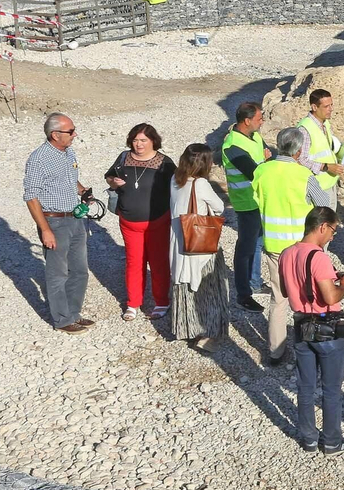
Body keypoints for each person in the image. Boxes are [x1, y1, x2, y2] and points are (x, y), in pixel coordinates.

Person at [251, 127, 335, 366]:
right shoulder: (304, 175)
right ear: (299, 151)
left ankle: (276, 352)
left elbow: (257, 198)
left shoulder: (261, 171)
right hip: (301, 250)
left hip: (274, 245)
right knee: (308, 298)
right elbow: (323, 204)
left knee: (279, 299)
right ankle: (309, 349)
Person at [281, 206, 344, 454]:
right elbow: (329, 296)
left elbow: (285, 291)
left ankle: (309, 439)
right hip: (326, 328)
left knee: (305, 387)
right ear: (322, 226)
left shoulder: (287, 253)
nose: (333, 236)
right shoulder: (319, 257)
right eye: (333, 231)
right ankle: (333, 442)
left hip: (301, 325)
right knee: (331, 389)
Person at [23, 113, 94, 334]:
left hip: (75, 218)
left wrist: (82, 191)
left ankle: (73, 314)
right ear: (55, 134)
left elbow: (69, 179)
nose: (75, 134)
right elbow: (30, 196)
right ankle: (62, 320)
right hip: (54, 222)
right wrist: (45, 230)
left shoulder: (67, 151)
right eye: (70, 131)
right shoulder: (39, 159)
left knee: (80, 270)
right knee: (58, 273)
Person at [105, 124, 176, 322]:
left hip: (158, 221)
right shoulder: (123, 157)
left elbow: (178, 185)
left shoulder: (164, 162)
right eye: (135, 140)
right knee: (134, 262)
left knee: (158, 262)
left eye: (143, 140)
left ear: (153, 140)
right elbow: (109, 176)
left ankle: (162, 301)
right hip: (128, 222)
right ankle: (133, 303)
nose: (139, 144)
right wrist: (113, 182)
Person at [169, 143, 231, 349]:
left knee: (184, 287)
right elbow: (219, 207)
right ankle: (209, 333)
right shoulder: (200, 184)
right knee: (208, 288)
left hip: (179, 240)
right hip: (199, 243)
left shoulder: (175, 180)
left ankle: (187, 328)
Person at [220, 101, 272, 310]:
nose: (262, 122)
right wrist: (267, 163)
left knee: (257, 244)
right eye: (260, 118)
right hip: (246, 202)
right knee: (245, 248)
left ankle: (255, 283)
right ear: (247, 120)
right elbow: (255, 172)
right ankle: (244, 294)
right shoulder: (232, 146)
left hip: (258, 199)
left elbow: (266, 153)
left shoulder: (254, 136)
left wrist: (266, 160)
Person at [296, 89, 344, 211]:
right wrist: (327, 167)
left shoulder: (325, 124)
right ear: (314, 107)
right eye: (326, 106)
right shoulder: (305, 129)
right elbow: (301, 159)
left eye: (331, 105)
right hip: (317, 186)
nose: (331, 109)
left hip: (329, 181)